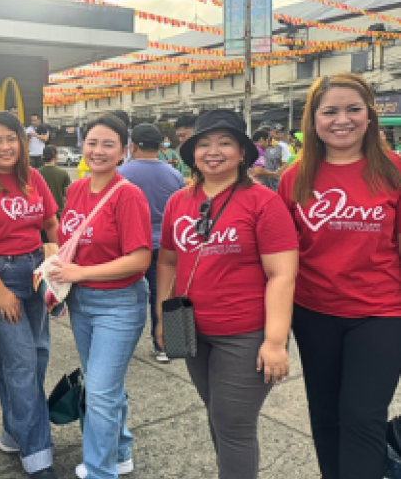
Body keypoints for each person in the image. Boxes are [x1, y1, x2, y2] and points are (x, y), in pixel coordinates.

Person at [157, 109, 298, 479]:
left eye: (224, 143)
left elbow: (282, 274)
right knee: (219, 417)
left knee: (234, 426)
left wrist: (275, 340)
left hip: (244, 334)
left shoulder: (263, 203)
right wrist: (161, 317)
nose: (213, 151)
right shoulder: (178, 202)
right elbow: (168, 262)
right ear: (192, 154)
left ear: (242, 153)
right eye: (203, 144)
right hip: (190, 328)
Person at [277, 72, 401, 479]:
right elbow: (282, 256)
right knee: (325, 414)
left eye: (353, 109)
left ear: (369, 116)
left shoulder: (394, 172)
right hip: (314, 312)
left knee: (363, 416)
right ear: (313, 120)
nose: (341, 120)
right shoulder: (294, 179)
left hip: (382, 313)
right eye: (329, 111)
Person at [50, 114, 152, 479]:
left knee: (100, 391)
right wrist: (56, 270)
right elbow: (72, 241)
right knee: (102, 384)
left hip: (119, 304)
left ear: (124, 151)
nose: (98, 150)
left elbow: (141, 258)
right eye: (92, 142)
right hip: (81, 302)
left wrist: (81, 273)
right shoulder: (77, 189)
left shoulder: (129, 195)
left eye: (109, 144)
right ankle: (120, 450)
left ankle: (99, 471)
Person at [0, 111, 60, 479]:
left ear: (23, 142)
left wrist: (55, 255)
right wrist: (0, 290)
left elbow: (50, 222)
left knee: (35, 357)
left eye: (11, 138)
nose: (5, 146)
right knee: (20, 364)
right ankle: (38, 456)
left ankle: (13, 430)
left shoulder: (33, 177)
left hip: (37, 273)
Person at [118, 123, 185, 364]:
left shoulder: (122, 174)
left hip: (129, 247)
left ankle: (119, 346)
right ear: (161, 147)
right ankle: (169, 345)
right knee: (167, 293)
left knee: (125, 296)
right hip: (166, 246)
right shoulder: (174, 174)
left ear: (132, 147)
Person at [38, 145, 72, 217]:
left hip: (41, 212)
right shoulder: (63, 173)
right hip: (58, 212)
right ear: (56, 156)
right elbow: (68, 194)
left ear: (42, 156)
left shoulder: (36, 173)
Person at [256, 126, 284, 191]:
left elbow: (285, 164)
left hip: (275, 186)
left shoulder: (279, 148)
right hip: (260, 186)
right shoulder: (254, 149)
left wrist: (280, 173)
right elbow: (257, 171)